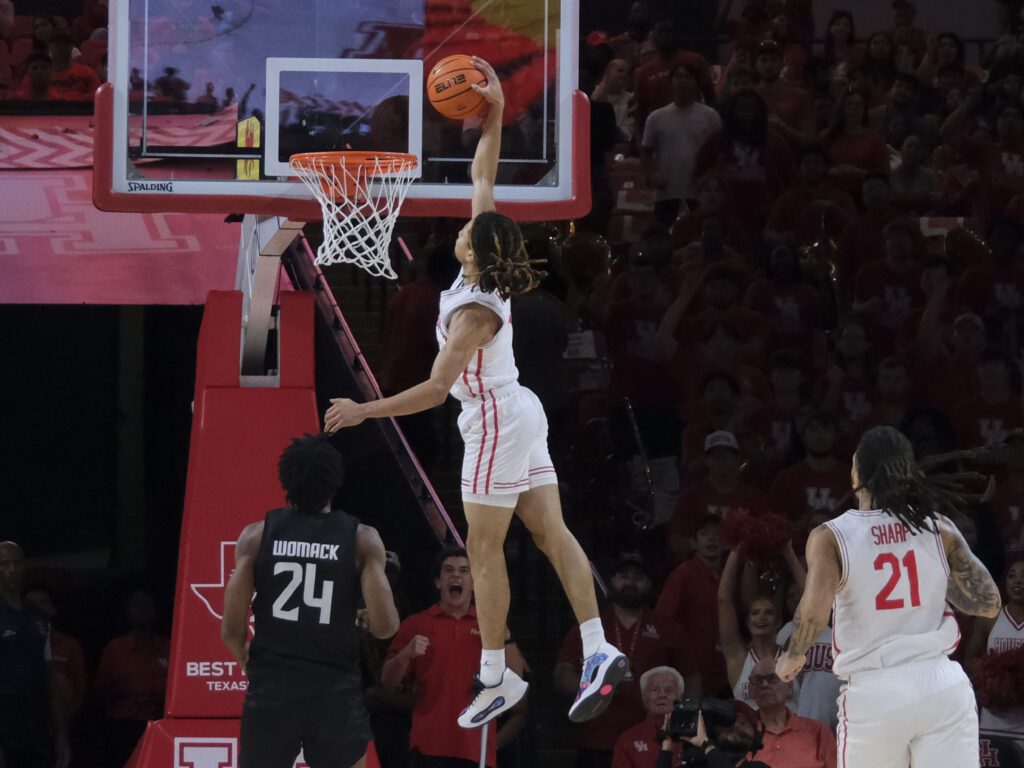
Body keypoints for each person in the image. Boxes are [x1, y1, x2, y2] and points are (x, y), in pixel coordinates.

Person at [324, 57, 627, 728]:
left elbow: (435, 390)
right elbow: (483, 175)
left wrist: (364, 408)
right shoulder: (481, 265)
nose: (461, 223)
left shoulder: (471, 313)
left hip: (493, 419)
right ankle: (600, 647)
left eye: (466, 227)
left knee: (482, 549)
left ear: (472, 248)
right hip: (519, 409)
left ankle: (495, 674)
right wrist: (490, 114)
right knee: (550, 533)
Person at [777, 425, 1003, 766]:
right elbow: (988, 603)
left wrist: (792, 656)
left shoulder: (832, 536)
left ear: (857, 475)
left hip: (876, 690)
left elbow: (812, 614)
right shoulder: (937, 527)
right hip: (942, 685)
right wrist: (937, 579)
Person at [221, 434, 400, 768]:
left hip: (274, 690)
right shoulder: (361, 539)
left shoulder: (256, 536)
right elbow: (386, 626)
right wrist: (363, 616)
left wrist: (250, 664)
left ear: (286, 480)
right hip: (334, 693)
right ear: (336, 480)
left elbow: (231, 630)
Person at [381, 545, 527, 767]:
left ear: (474, 583)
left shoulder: (491, 625)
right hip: (428, 744)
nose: (456, 575)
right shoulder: (416, 624)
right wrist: (405, 655)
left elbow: (517, 679)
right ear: (438, 582)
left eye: (464, 570)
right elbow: (387, 682)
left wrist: (504, 636)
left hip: (477, 748)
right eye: (448, 570)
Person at [555, 554, 701, 768]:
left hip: (656, 741)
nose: (630, 583)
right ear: (611, 581)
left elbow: (692, 675)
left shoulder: (668, 629)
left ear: (649, 584)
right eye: (623, 576)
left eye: (638, 577)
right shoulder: (588, 628)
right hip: (597, 739)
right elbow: (562, 674)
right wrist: (592, 688)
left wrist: (685, 718)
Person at [0, 542, 70, 768]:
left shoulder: (39, 616)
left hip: (37, 726)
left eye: (16, 563)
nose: (11, 569)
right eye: (4, 564)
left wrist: (61, 736)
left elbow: (51, 678)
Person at [718, 545, 803, 710]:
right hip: (751, 735)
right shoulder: (739, 658)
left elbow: (810, 599)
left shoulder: (792, 655)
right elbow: (723, 601)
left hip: (790, 733)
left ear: (779, 622)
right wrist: (736, 548)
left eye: (768, 612)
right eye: (755, 613)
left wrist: (789, 552)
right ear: (748, 622)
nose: (761, 617)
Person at [93, 588, 170, 766]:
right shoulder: (115, 648)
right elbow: (99, 693)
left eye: (147, 605)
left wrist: (153, 689)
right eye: (137, 605)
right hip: (122, 729)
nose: (143, 609)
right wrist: (125, 688)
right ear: (127, 612)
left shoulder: (171, 648)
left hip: (159, 727)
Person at [641, 61, 721, 226]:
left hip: (699, 191)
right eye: (679, 77)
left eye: (688, 77)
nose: (683, 81)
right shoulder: (656, 117)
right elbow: (646, 151)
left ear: (696, 83)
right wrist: (652, 174)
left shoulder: (710, 116)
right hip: (667, 191)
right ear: (671, 82)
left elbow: (719, 152)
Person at [656, 516, 729, 696]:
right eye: (704, 534)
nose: (712, 539)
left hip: (723, 673)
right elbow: (662, 623)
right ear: (694, 543)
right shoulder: (683, 574)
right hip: (692, 674)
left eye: (718, 534)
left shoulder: (728, 576)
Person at [967, 558, 1024, 741]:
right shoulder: (989, 617)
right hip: (994, 719)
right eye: (1012, 576)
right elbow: (970, 660)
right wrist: (992, 681)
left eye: (1023, 576)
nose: (1017, 581)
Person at [747, 658, 836, 767]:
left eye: (772, 678)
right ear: (751, 690)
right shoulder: (743, 735)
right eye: (757, 680)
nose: (765, 684)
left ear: (789, 687)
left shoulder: (818, 731)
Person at [611, 667, 686, 768]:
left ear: (680, 698)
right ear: (644, 698)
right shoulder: (628, 739)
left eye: (669, 690)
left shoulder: (694, 736)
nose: (662, 695)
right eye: (655, 690)